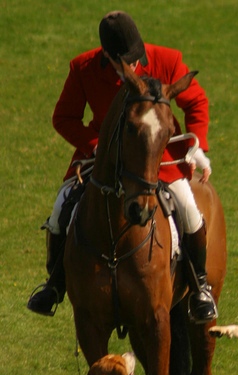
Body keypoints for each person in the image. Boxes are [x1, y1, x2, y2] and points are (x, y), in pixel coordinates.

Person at [27, 10, 217, 324]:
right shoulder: (83, 68)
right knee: (62, 209)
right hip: (100, 160)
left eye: (135, 58)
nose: (132, 66)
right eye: (123, 61)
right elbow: (63, 118)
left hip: (157, 157)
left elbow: (196, 102)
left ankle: (200, 286)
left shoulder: (167, 60)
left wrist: (198, 150)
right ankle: (55, 284)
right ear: (106, 54)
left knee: (188, 207)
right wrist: (96, 146)